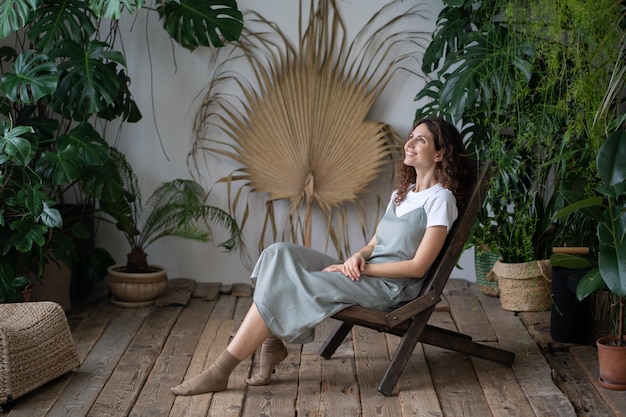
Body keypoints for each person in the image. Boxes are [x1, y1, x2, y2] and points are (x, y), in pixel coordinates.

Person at [171, 117, 471, 395]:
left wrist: (363, 270)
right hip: (365, 272)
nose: (409, 143)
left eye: (420, 139)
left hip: (390, 289)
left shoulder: (440, 200)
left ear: (439, 154)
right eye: (410, 137)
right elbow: (374, 243)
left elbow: (418, 268)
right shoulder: (401, 194)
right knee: (279, 254)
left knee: (292, 282)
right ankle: (272, 341)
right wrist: (357, 257)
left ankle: (220, 370)